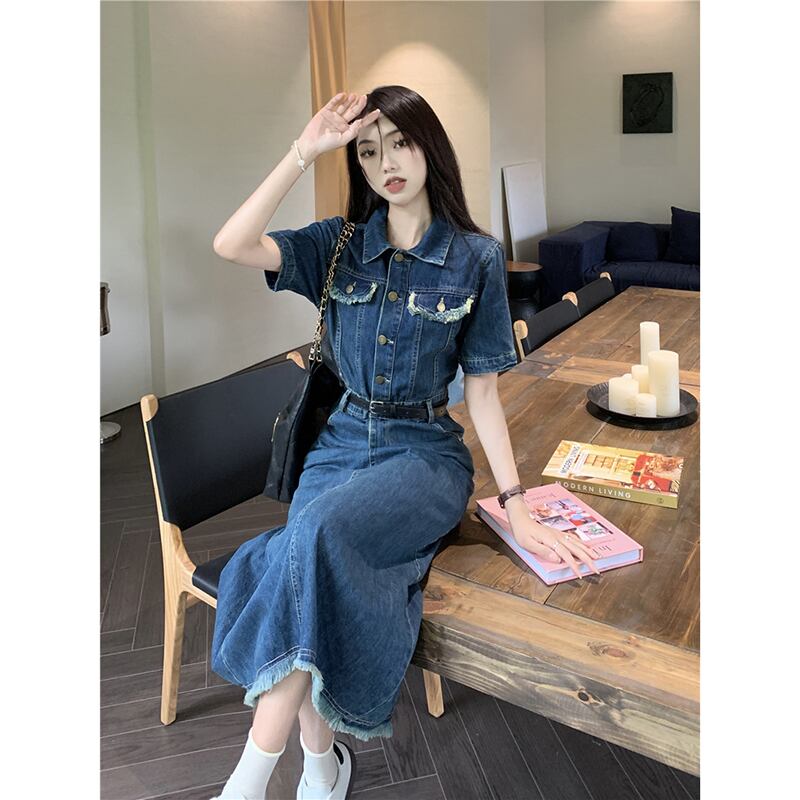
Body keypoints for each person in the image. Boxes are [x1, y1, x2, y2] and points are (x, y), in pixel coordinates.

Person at [209, 86, 600, 800]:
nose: (385, 162)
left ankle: (246, 782)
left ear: (429, 147)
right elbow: (230, 243)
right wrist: (305, 150)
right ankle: (321, 768)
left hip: (424, 454)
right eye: (368, 151)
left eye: (400, 142)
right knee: (309, 558)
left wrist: (516, 504)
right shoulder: (337, 245)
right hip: (339, 443)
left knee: (309, 539)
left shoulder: (476, 258)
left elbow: (482, 394)